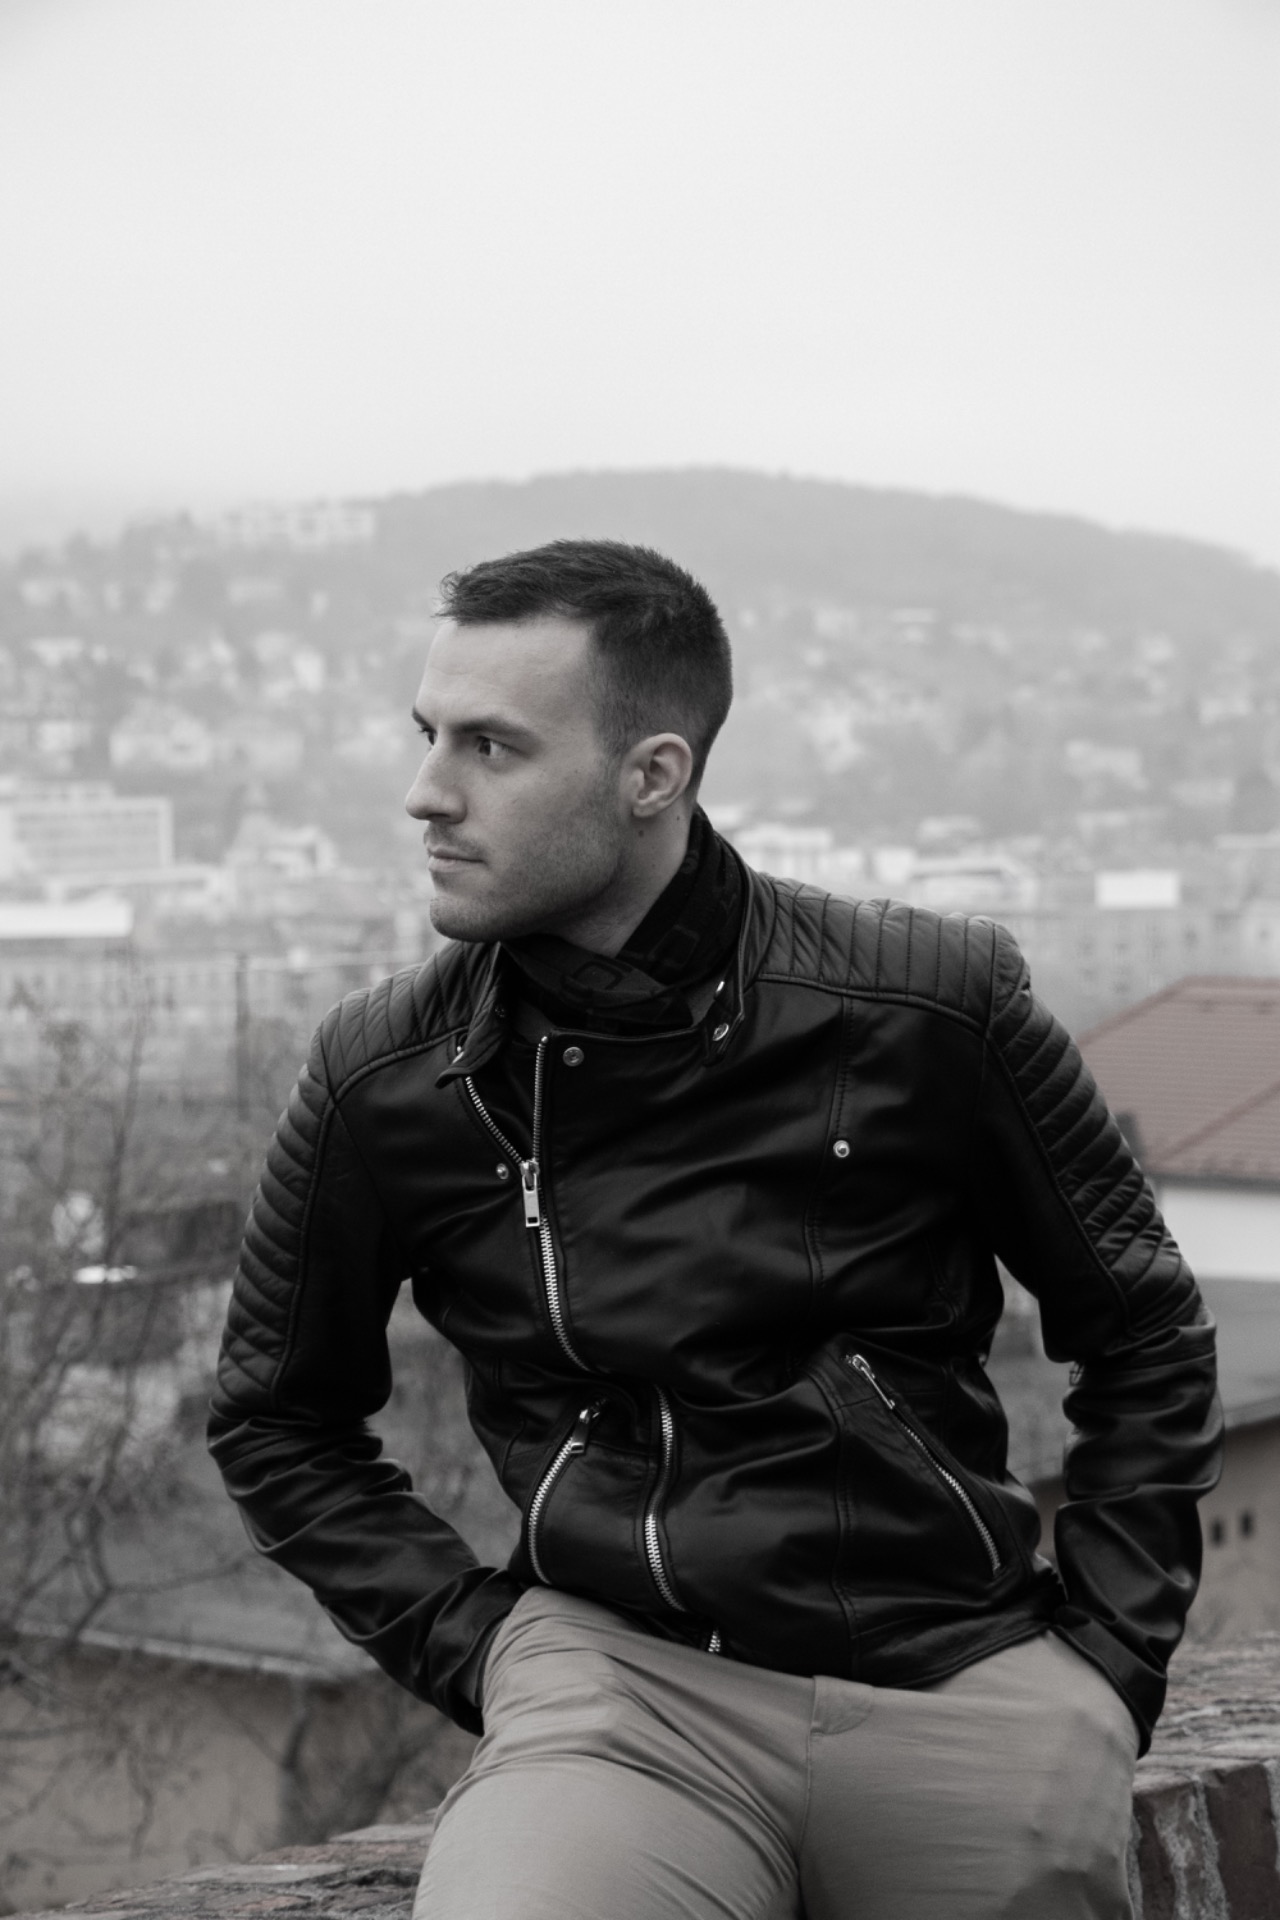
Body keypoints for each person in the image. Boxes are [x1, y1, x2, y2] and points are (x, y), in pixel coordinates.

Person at [210, 539, 1222, 1920]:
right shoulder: (388, 1074)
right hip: (621, 1691)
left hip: (959, 1674)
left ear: (653, 774)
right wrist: (480, 1643)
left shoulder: (931, 1002)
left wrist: (1107, 1664)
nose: (427, 792)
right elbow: (274, 1417)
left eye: (492, 747)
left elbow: (1143, 1326)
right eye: (428, 734)